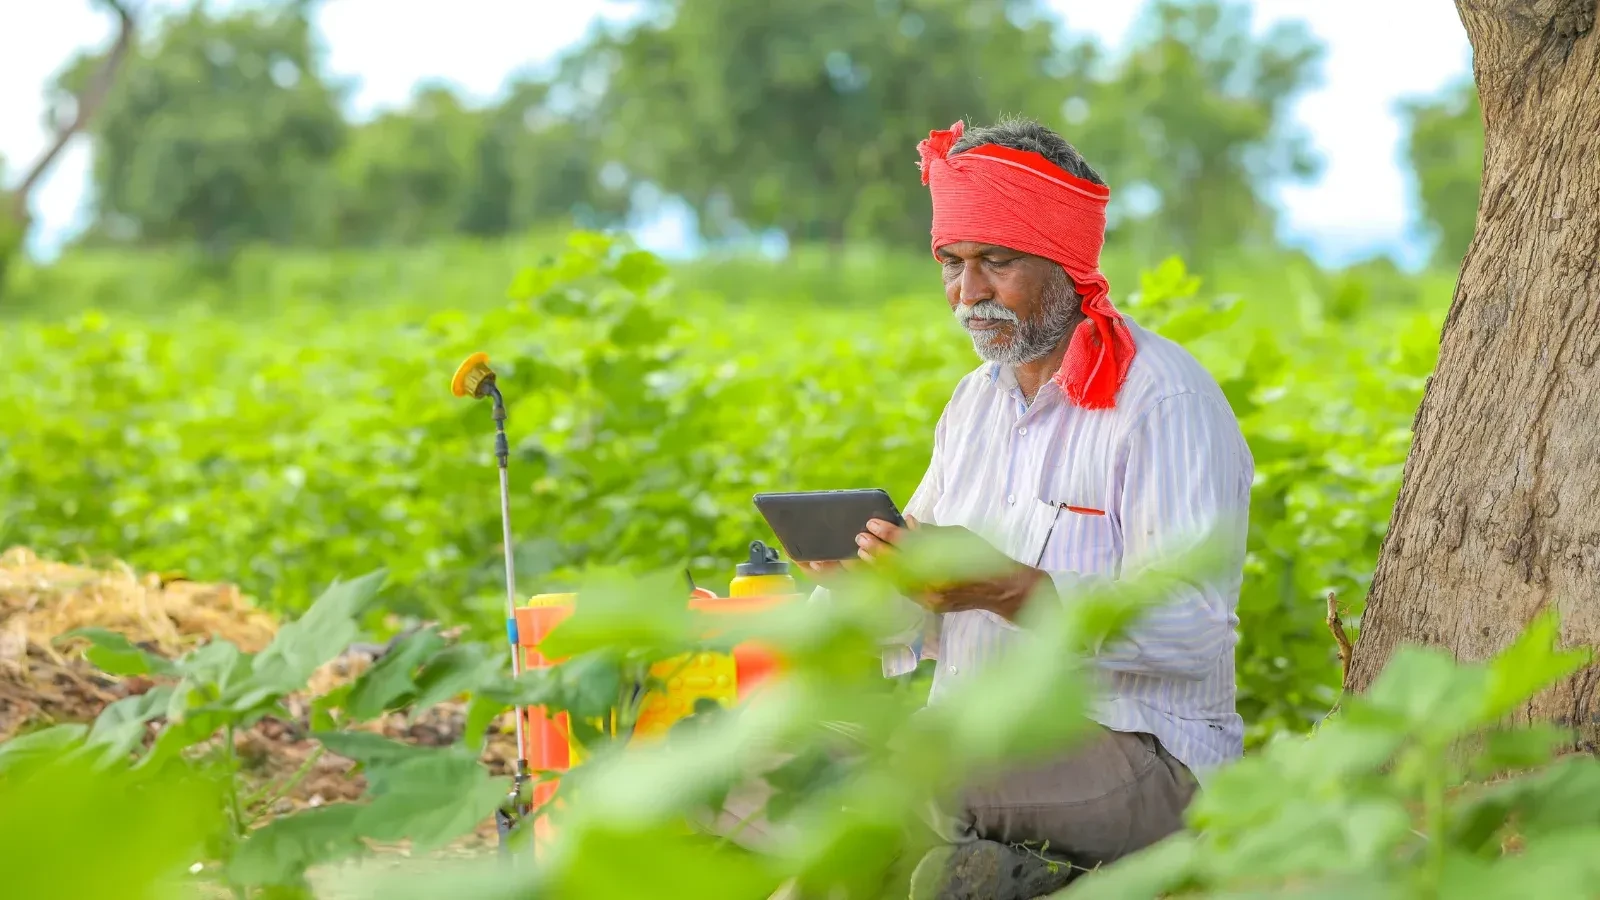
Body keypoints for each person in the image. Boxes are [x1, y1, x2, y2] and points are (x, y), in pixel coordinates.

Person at [796, 116, 1254, 898]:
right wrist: (869, 583)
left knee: (909, 781)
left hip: (1146, 755)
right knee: (782, 762)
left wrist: (1012, 588)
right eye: (951, 264)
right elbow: (930, 616)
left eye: (995, 263)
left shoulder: (1162, 399)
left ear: (1067, 263)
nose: (967, 294)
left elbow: (1196, 628)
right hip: (983, 741)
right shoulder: (974, 405)